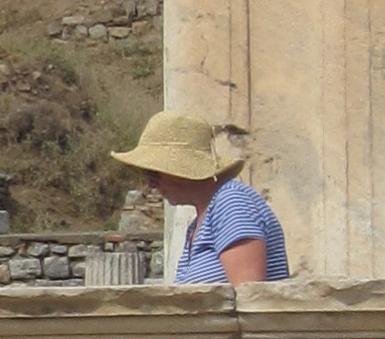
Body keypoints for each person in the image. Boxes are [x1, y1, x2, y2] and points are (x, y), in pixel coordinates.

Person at [112, 108, 289, 286]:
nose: (151, 184)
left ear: (180, 168)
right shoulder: (199, 223)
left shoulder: (232, 202)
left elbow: (249, 295)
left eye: (154, 174)